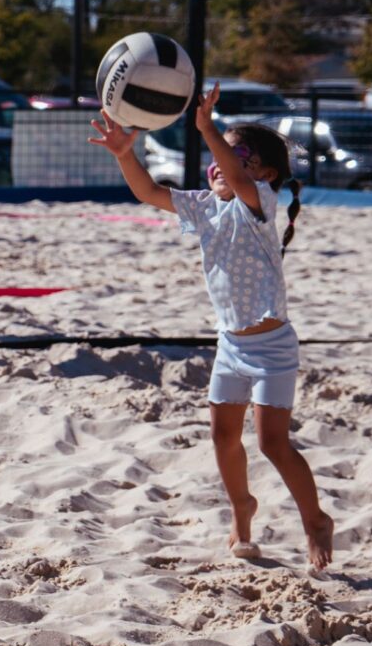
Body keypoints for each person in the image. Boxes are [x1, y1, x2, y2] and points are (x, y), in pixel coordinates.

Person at [89, 83, 334, 571]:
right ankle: (242, 508)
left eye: (236, 154)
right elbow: (146, 191)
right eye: (217, 157)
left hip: (273, 347)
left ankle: (315, 521)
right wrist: (123, 154)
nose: (220, 163)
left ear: (262, 172)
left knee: (272, 443)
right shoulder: (205, 205)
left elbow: (238, 177)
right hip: (230, 344)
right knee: (223, 437)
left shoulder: (258, 202)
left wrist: (206, 128)